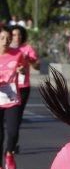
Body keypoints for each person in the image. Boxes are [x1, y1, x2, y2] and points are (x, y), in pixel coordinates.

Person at [9, 25, 39, 154]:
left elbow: (37, 66)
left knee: (17, 118)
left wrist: (30, 61)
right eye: (14, 35)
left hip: (22, 87)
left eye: (19, 35)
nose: (17, 37)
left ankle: (12, 144)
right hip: (6, 87)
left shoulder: (27, 49)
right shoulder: (5, 49)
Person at [0, 26, 24, 169]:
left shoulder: (18, 54)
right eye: (2, 38)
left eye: (8, 38)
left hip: (12, 98)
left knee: (13, 132)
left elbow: (22, 70)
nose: (5, 41)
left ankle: (9, 152)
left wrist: (21, 71)